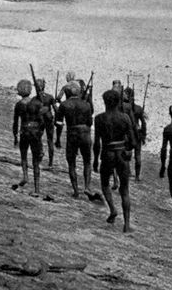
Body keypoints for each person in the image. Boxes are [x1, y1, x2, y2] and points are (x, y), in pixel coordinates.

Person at [93, 89, 136, 233]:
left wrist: (95, 159)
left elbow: (97, 143)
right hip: (122, 154)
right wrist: (127, 149)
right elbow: (132, 141)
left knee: (105, 184)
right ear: (118, 102)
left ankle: (112, 209)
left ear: (105, 102)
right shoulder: (125, 118)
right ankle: (126, 224)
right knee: (125, 190)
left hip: (107, 153)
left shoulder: (99, 119)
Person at [55, 81, 94, 198]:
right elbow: (90, 122)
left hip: (72, 133)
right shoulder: (86, 104)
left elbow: (58, 123)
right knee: (87, 161)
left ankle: (76, 191)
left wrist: (58, 137)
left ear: (67, 92)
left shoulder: (64, 105)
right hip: (85, 133)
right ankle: (87, 187)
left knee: (71, 163)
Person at [12, 79, 44, 196]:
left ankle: (25, 176)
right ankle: (37, 189)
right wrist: (40, 134)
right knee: (36, 161)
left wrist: (15, 137)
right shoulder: (36, 103)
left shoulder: (19, 105)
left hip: (24, 131)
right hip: (35, 132)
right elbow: (42, 121)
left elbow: (16, 123)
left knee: (24, 156)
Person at [124, 87, 148, 181]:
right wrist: (144, 135)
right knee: (138, 155)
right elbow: (144, 123)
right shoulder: (138, 108)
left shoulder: (124, 108)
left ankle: (128, 172)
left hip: (128, 134)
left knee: (127, 155)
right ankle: (137, 176)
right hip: (137, 134)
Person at [34, 77, 57, 168]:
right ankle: (50, 162)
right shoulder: (50, 97)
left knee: (38, 138)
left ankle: (40, 154)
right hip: (49, 119)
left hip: (40, 120)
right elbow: (56, 110)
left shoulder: (34, 99)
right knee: (50, 140)